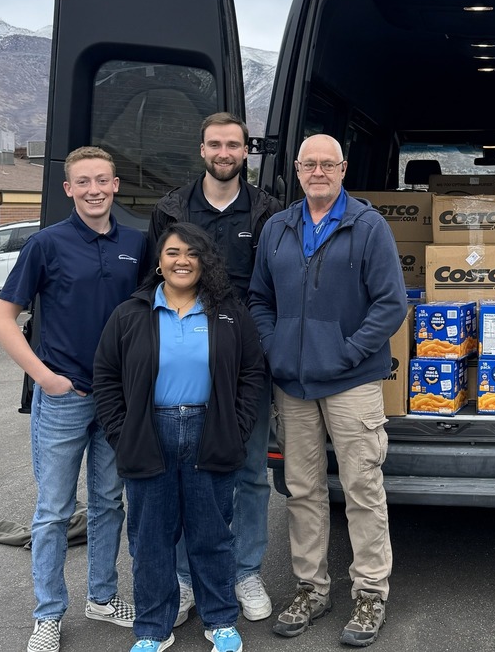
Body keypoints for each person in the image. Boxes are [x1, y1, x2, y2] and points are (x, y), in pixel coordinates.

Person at [248, 133, 407, 647]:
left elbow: (391, 304)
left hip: (351, 383)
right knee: (302, 490)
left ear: (342, 169)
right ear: (297, 170)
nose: (318, 171)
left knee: (362, 487)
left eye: (327, 164)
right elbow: (259, 300)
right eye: (309, 164)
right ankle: (311, 588)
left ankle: (370, 593)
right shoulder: (278, 227)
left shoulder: (368, 226)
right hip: (293, 385)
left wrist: (345, 353)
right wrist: (275, 350)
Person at [0, 146, 144, 652]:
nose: (95, 189)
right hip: (64, 398)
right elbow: (0, 319)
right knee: (54, 511)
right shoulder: (46, 245)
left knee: (107, 503)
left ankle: (101, 597)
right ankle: (48, 614)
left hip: (116, 400)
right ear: (68, 189)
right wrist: (45, 378)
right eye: (84, 182)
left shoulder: (137, 245)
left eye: (103, 180)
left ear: (116, 185)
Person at [94, 222, 265, 652]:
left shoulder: (227, 311)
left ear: (206, 262)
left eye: (192, 253)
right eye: (172, 252)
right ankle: (153, 628)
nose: (182, 261)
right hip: (151, 432)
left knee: (211, 534)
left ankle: (221, 620)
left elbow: (251, 371)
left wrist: (238, 425)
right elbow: (106, 376)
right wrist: (121, 432)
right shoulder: (132, 313)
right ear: (159, 261)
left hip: (211, 430)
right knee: (151, 538)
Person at [147, 112, 281, 625]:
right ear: (201, 150)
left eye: (233, 145)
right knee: (186, 475)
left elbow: (276, 289)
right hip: (183, 365)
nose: (224, 152)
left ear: (246, 151)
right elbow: (150, 281)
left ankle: (244, 572)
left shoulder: (269, 211)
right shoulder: (172, 208)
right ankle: (185, 581)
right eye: (214, 144)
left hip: (245, 368)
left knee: (249, 474)